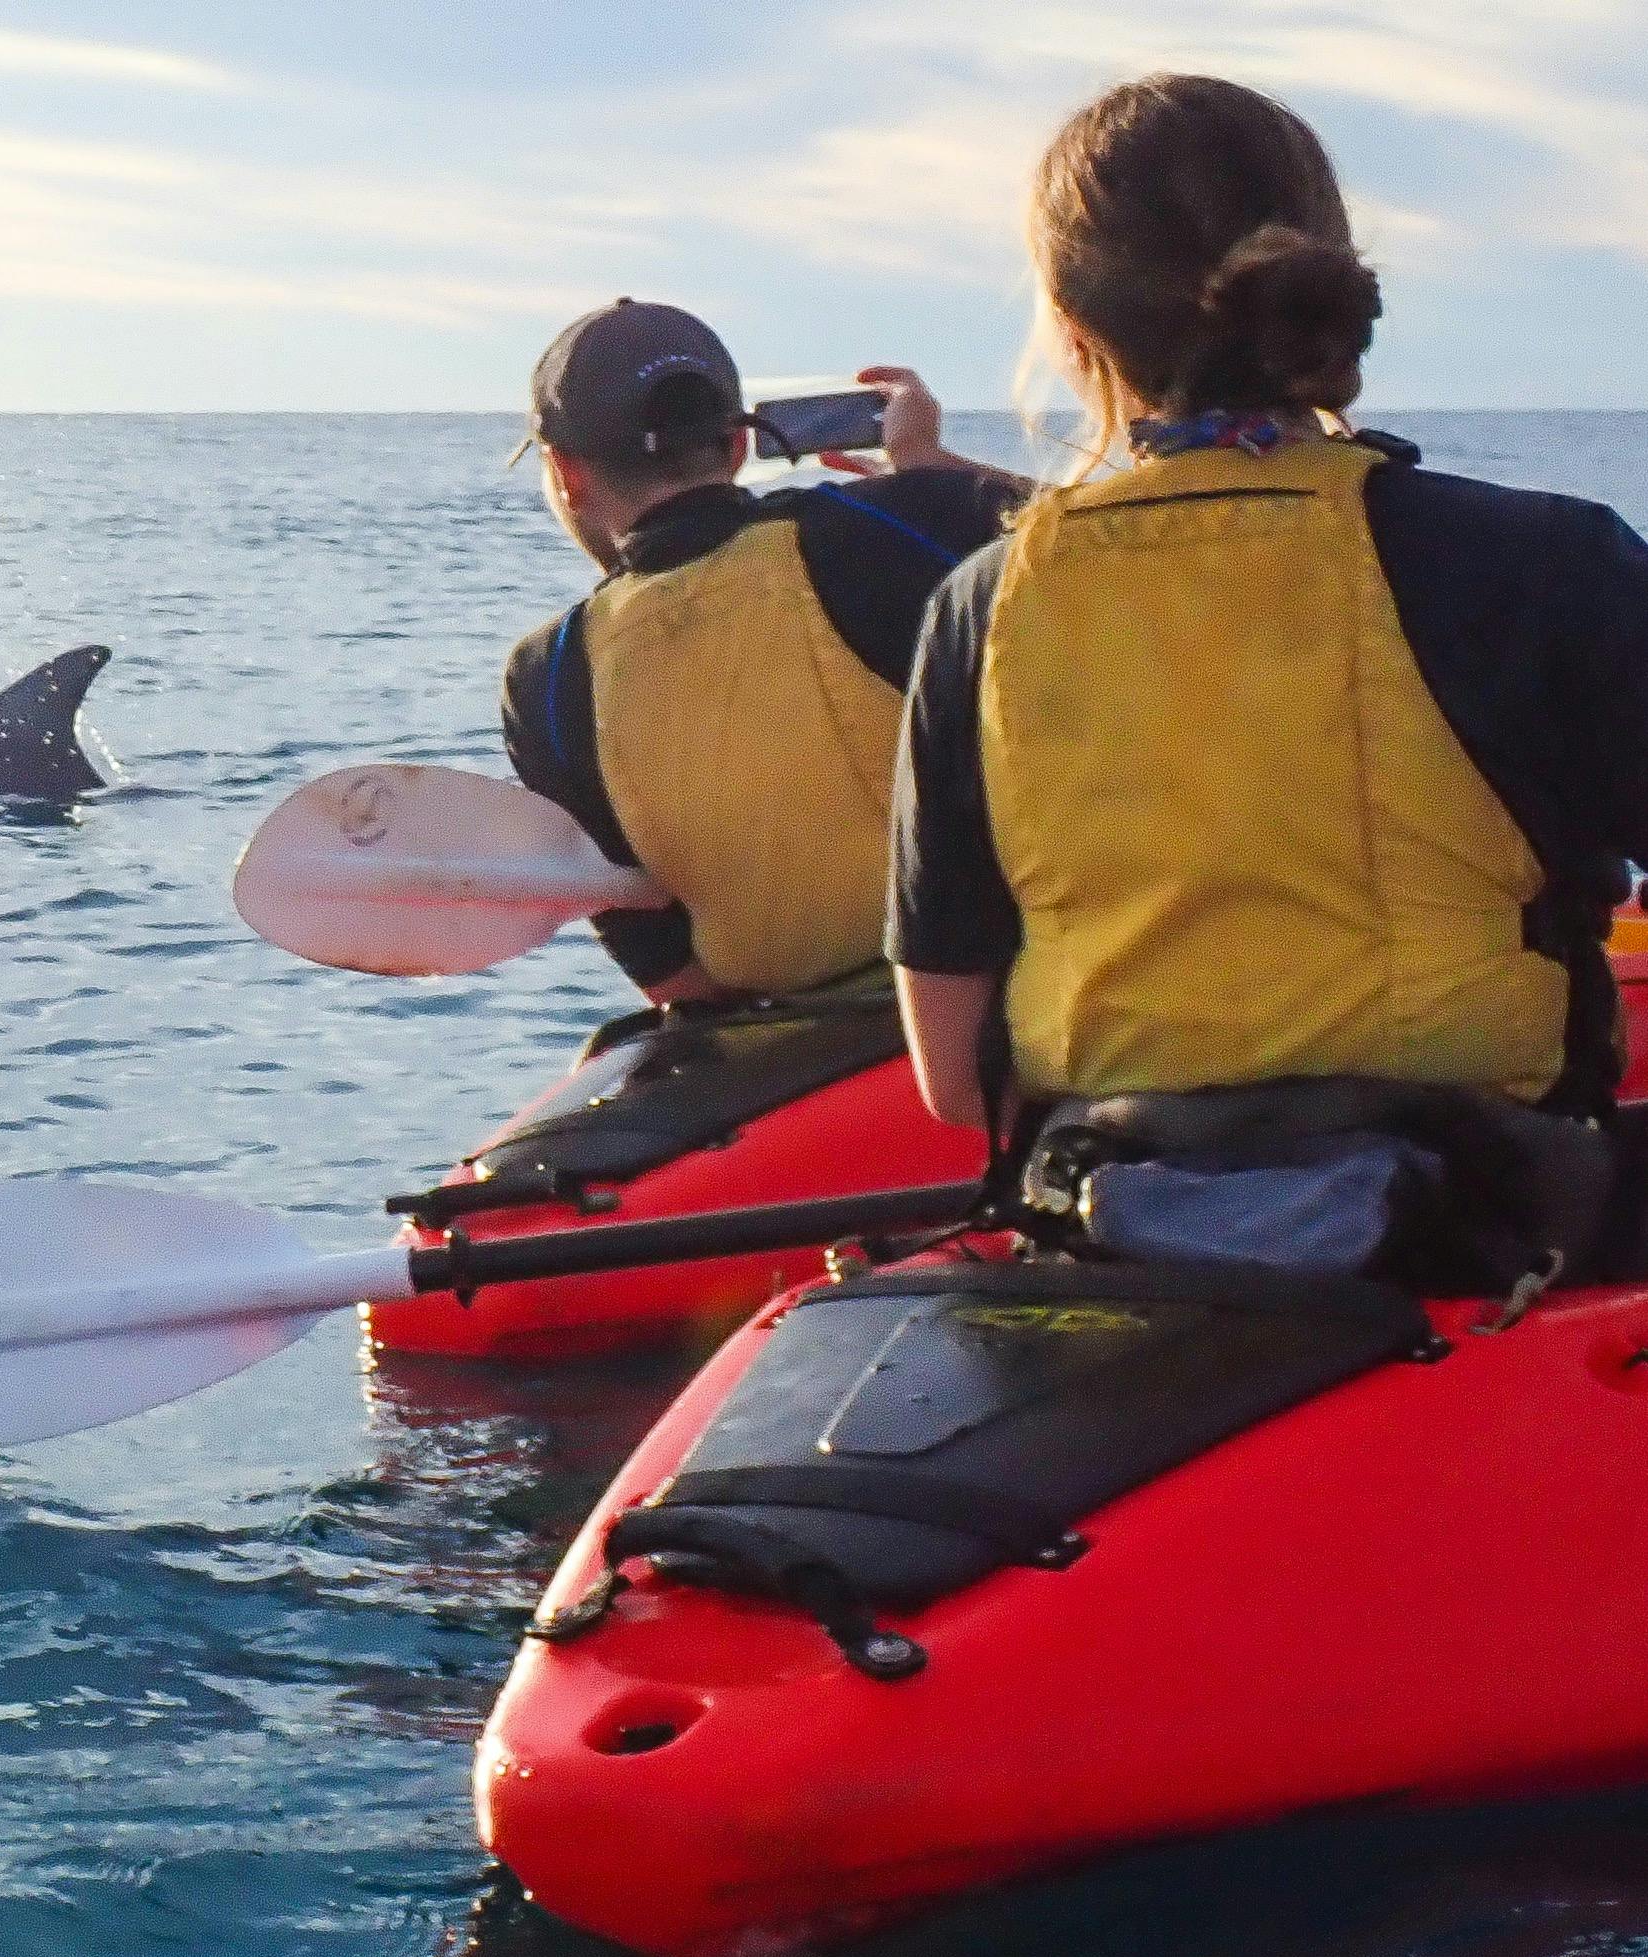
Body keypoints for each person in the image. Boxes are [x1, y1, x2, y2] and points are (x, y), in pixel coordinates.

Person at [887, 74, 1648, 1267]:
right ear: (1322, 282)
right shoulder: (1550, 561)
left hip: (1113, 1234)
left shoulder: (978, 611)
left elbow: (953, 1078)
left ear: (1068, 326)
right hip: (1490, 1235)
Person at [502, 299, 1026, 1006]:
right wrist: (936, 471)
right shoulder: (891, 522)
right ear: (738, 446)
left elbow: (667, 972)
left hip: (800, 1065)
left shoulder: (547, 676)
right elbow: (1108, 544)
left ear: (566, 473)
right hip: (995, 1017)